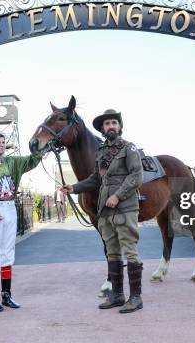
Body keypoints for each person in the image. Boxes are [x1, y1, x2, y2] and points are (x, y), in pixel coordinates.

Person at [60, 109, 144, 313]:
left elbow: (136, 176)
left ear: (120, 126)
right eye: (107, 124)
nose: (111, 126)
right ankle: (117, 295)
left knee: (130, 251)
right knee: (112, 252)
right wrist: (74, 188)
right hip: (105, 211)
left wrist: (118, 195)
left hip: (124, 208)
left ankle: (135, 297)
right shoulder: (101, 152)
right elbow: (95, 179)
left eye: (114, 122)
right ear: (102, 129)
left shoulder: (128, 148)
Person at [0, 132, 42, 312]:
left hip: (10, 208)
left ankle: (6, 295)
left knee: (8, 254)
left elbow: (31, 161)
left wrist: (38, 151)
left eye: (4, 142)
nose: (2, 145)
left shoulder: (13, 162)